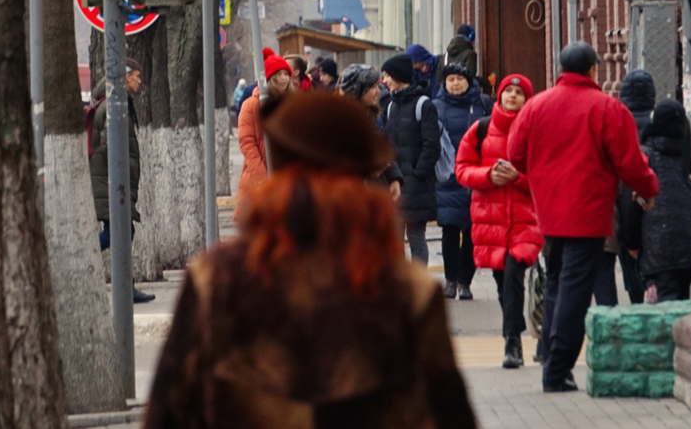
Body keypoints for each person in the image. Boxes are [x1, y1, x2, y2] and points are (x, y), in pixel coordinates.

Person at [143, 90, 478, 429]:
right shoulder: (406, 290)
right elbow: (448, 415)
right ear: (363, 180)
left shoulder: (217, 279)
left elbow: (168, 413)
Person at [508, 41, 659, 393]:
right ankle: (557, 369)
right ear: (592, 70)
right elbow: (631, 163)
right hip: (588, 213)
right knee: (575, 289)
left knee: (559, 283)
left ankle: (551, 359)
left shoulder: (536, 106)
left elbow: (516, 155)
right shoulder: (607, 108)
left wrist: (543, 175)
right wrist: (648, 188)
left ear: (561, 68)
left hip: (549, 212)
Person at [456, 74, 543, 370]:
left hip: (525, 221)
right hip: (490, 222)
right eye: (509, 91)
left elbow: (546, 179)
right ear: (500, 95)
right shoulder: (479, 130)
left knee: (514, 273)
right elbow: (462, 170)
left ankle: (512, 344)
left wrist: (518, 179)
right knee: (503, 284)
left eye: (520, 92)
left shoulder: (537, 133)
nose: (513, 96)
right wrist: (488, 176)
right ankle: (517, 330)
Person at [89, 57, 155, 303]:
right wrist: (121, 180)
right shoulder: (113, 106)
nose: (139, 81)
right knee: (119, 232)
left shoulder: (116, 102)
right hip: (110, 184)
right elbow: (110, 148)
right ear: (126, 77)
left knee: (122, 231)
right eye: (137, 76)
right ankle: (79, 258)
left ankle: (126, 286)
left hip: (111, 183)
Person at [623, 99, 691, 302]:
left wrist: (631, 243)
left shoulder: (645, 156)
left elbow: (632, 204)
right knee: (683, 295)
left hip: (657, 247)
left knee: (666, 303)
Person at [598, 69, 658, 306]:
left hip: (622, 214)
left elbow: (624, 184)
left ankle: (636, 307)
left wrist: (628, 238)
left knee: (632, 282)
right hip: (654, 214)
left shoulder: (617, 124)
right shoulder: (659, 123)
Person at [433, 62, 492, 300]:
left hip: (474, 176)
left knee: (471, 232)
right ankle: (450, 280)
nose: (455, 83)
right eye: (450, 79)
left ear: (469, 82)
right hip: (446, 177)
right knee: (449, 229)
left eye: (460, 79)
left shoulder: (482, 104)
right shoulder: (435, 107)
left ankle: (465, 281)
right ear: (444, 83)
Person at [378, 52, 440, 264]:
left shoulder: (424, 105)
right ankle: (401, 285)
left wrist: (417, 173)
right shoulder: (391, 106)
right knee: (395, 238)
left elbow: (431, 145)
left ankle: (418, 287)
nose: (384, 81)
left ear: (397, 76)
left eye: (387, 76)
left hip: (416, 184)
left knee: (415, 236)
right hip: (394, 182)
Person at [234, 48, 295, 224]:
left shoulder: (292, 103)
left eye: (286, 74)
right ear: (268, 78)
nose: (283, 78)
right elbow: (247, 143)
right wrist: (262, 177)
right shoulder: (251, 105)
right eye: (278, 74)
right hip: (259, 178)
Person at [338, 63, 403, 198]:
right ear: (357, 91)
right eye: (373, 87)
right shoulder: (341, 121)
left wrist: (394, 178)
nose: (379, 91)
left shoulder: (369, 115)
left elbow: (381, 149)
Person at [442, 24, 479, 89]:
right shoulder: (470, 54)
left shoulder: (445, 56)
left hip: (448, 96)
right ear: (470, 37)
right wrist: (487, 81)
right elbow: (470, 77)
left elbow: (439, 80)